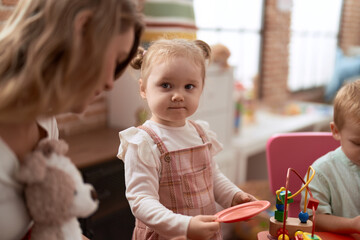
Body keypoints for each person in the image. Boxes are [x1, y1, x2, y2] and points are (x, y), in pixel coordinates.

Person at [0, 0, 144, 239]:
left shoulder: (45, 122)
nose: (110, 83)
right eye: (115, 57)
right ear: (81, 29)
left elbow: (54, 228)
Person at [117, 38, 257, 240]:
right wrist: (185, 226)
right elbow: (141, 201)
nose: (178, 96)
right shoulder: (143, 143)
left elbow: (213, 177)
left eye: (189, 87)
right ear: (143, 89)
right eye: (166, 85)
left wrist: (234, 196)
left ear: (201, 88)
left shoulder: (200, 133)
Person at [300, 80, 360, 238]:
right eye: (358, 143)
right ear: (336, 131)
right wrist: (353, 225)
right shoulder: (321, 172)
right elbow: (312, 218)